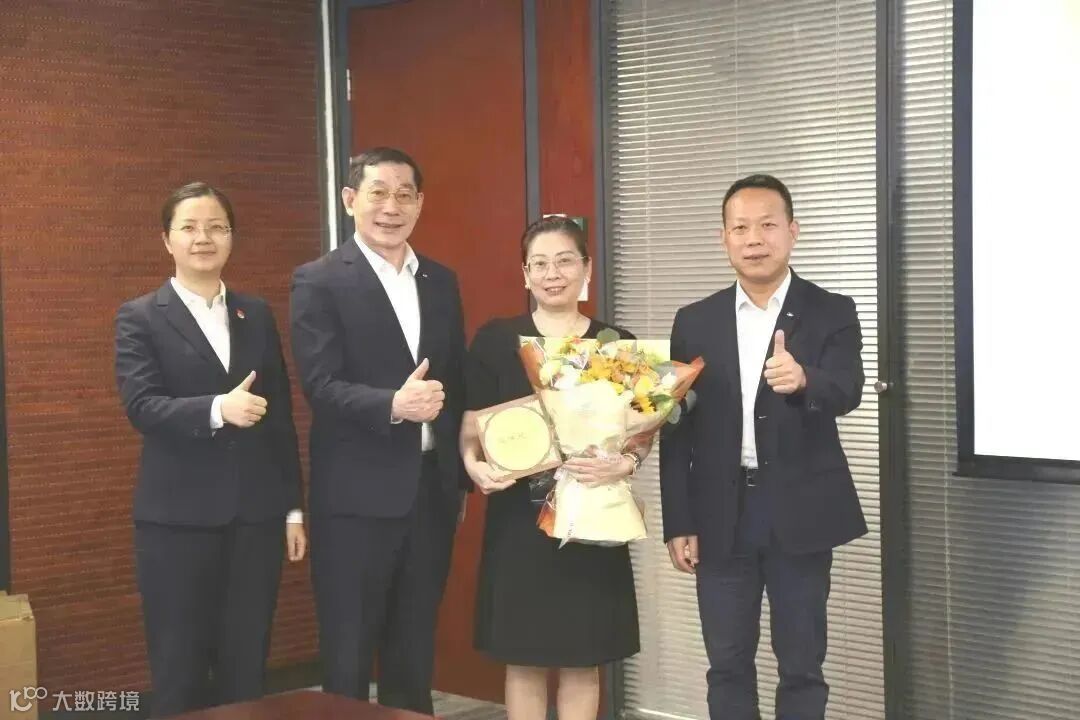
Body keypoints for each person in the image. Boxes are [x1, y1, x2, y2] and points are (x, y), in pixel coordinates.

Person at [660, 174, 866, 720]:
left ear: (793, 231)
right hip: (720, 513)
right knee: (727, 663)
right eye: (741, 228)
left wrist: (805, 380)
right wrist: (679, 519)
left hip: (800, 508)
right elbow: (675, 427)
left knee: (802, 663)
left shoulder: (831, 309)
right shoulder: (694, 320)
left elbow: (848, 389)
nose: (754, 239)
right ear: (723, 238)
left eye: (767, 225)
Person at [114, 182, 306, 718]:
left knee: (247, 666)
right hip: (176, 524)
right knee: (179, 667)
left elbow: (281, 418)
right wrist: (219, 408)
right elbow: (142, 407)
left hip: (255, 520)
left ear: (231, 237)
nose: (204, 238)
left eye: (217, 227)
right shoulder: (140, 317)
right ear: (167, 240)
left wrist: (293, 509)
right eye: (190, 228)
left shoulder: (256, 314)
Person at [289, 147, 467, 714]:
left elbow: (456, 380)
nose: (392, 207)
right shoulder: (318, 280)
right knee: (348, 648)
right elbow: (320, 384)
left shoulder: (440, 280)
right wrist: (393, 403)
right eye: (378, 193)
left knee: (413, 648)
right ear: (350, 200)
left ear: (420, 203)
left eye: (404, 195)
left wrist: (461, 473)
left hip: (430, 492)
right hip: (355, 498)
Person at [460, 215, 643, 720]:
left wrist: (626, 462)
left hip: (593, 514)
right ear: (525, 274)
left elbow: (641, 430)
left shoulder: (613, 343)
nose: (552, 273)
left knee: (584, 659)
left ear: (587, 268)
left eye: (564, 261)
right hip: (519, 523)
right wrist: (473, 466)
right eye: (539, 264)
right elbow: (471, 424)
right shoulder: (496, 339)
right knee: (524, 659)